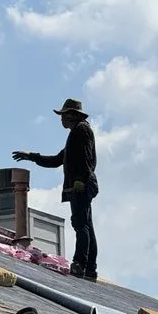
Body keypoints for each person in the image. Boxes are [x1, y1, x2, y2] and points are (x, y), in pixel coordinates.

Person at [12, 98, 99, 280]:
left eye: (63, 115)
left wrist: (80, 179)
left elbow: (88, 158)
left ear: (72, 115)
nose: (61, 119)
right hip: (81, 184)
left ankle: (81, 264)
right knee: (85, 225)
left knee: (81, 224)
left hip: (81, 185)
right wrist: (32, 156)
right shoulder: (76, 134)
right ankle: (89, 268)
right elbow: (57, 160)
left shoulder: (81, 130)